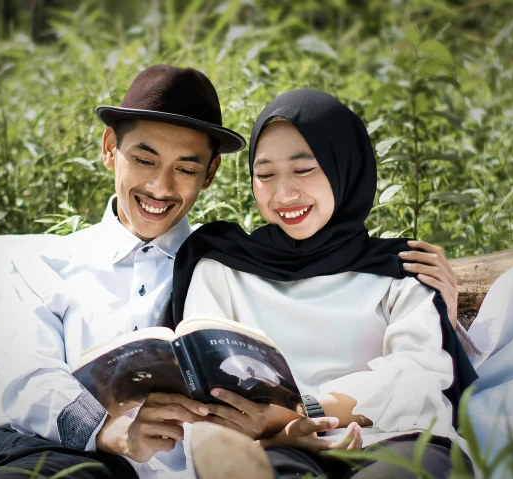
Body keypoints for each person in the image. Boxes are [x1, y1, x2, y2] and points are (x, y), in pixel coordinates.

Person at [0, 69, 461, 479]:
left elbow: (423, 367)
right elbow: (20, 371)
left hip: (100, 468)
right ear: (109, 149)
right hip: (22, 438)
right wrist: (103, 429)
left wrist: (444, 309)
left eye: (185, 168)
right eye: (143, 159)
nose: (158, 187)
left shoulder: (211, 256)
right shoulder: (54, 262)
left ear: (208, 178)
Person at [169, 89, 477, 478]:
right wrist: (280, 432)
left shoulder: (399, 270)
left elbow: (419, 380)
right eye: (265, 175)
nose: (283, 193)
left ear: (344, 166)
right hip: (274, 446)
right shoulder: (222, 268)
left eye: (304, 169)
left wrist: (307, 411)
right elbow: (210, 386)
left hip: (394, 441)